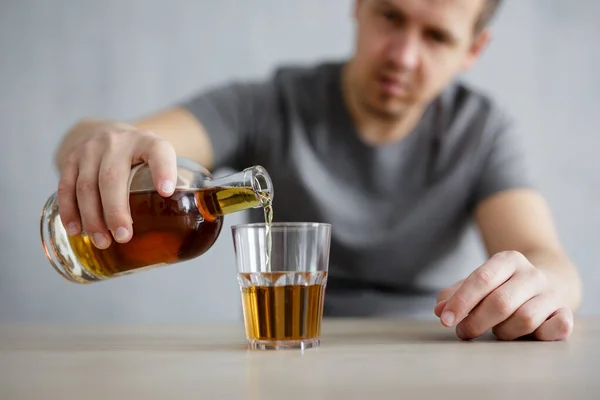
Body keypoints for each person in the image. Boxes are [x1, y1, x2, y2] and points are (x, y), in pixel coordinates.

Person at [53, 0, 581, 341]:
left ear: (473, 49)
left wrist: (544, 286)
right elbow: (111, 136)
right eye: (390, 16)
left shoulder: (481, 131)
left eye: (436, 37)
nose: (402, 55)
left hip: (426, 345)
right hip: (286, 351)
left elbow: (546, 258)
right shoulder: (269, 104)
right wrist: (98, 144)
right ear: (359, 7)